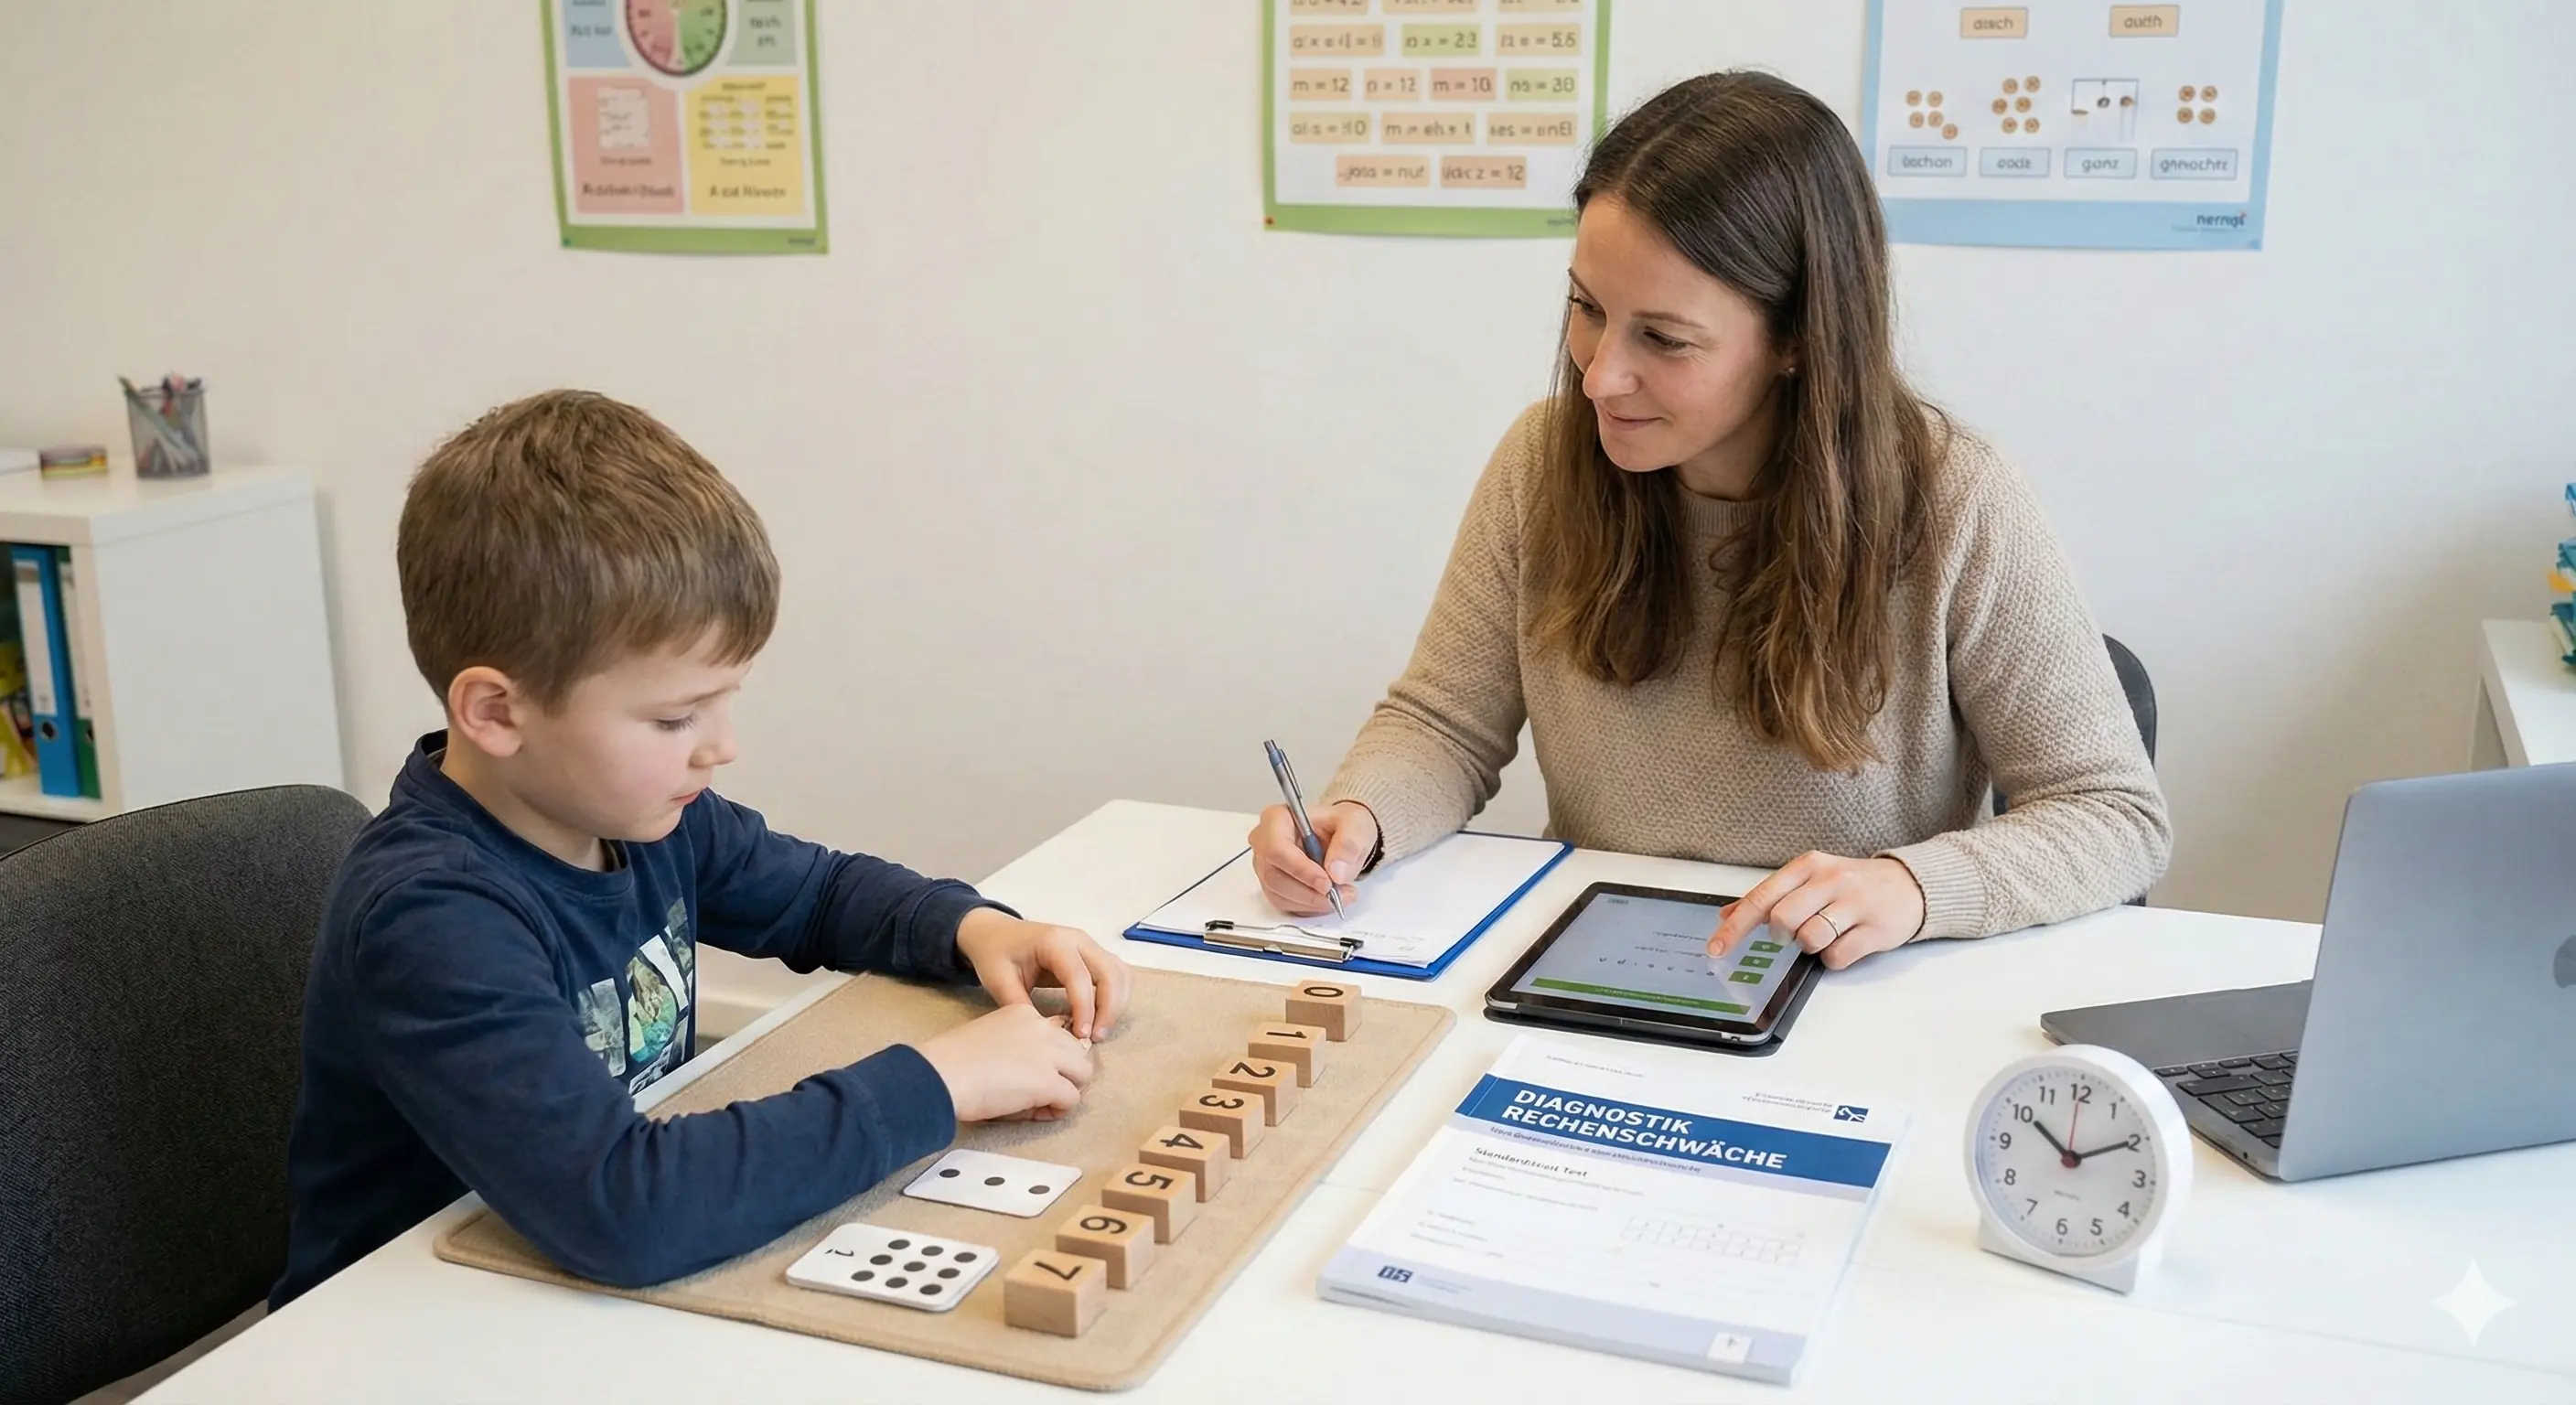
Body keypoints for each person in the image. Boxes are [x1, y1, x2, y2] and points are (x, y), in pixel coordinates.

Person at [1250, 70, 2169, 969]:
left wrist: (1910, 887)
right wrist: (1359, 817)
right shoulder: (1542, 462)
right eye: (1585, 308)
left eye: (1663, 338)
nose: (1600, 375)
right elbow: (1444, 725)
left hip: (1843, 991)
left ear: (1797, 341)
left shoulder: (1957, 501)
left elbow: (2112, 817)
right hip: (1594, 965)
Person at [272, 391, 1130, 1306]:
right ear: (495, 712)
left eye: (723, 700)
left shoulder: (639, 816)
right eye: (675, 716)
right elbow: (625, 1209)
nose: (720, 746)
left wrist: (972, 931)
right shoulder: (431, 915)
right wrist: (934, 1083)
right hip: (404, 1324)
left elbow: (822, 897)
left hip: (564, 1295)